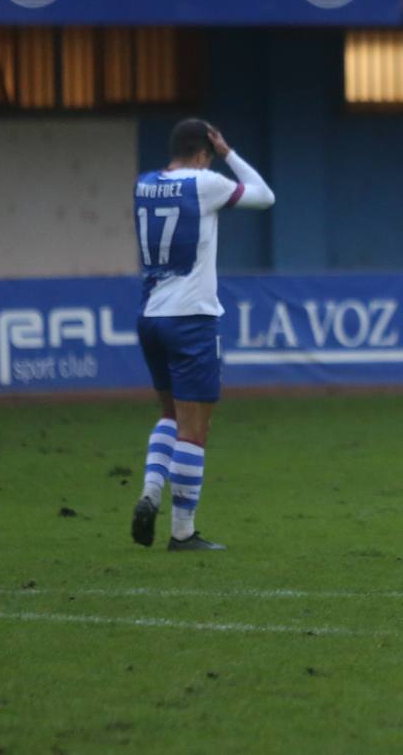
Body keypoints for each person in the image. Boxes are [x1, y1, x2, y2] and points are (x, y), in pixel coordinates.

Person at [129, 119, 275, 551]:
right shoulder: (205, 181)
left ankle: (150, 492)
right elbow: (264, 196)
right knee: (195, 430)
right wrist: (228, 152)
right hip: (191, 319)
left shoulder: (144, 184)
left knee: (169, 416)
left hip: (151, 316)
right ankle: (182, 532)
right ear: (202, 153)